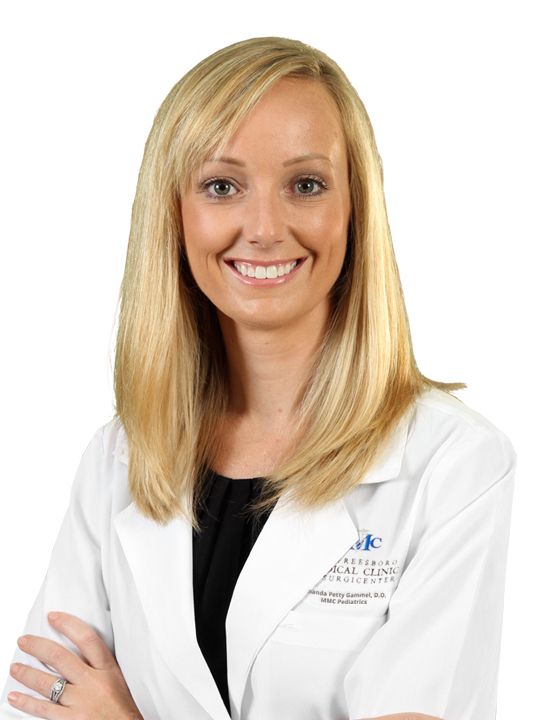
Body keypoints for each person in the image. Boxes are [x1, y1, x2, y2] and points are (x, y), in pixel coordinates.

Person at [0, 36, 516, 720]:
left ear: (355, 208)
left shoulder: (453, 465)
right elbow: (43, 698)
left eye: (306, 185)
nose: (265, 228)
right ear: (174, 214)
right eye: (222, 186)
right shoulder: (121, 458)